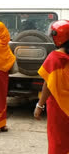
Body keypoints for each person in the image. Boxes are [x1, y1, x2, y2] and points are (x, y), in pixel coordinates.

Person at [34, 20, 69, 154]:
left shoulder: (54, 58)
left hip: (58, 107)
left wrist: (40, 105)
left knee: (58, 140)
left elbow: (48, 85)